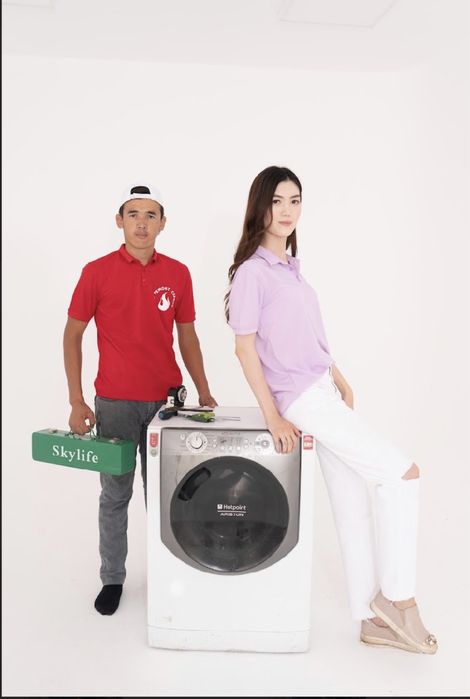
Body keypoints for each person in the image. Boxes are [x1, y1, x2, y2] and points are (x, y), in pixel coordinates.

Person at [225, 166, 437, 654]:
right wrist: (274, 415)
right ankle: (398, 599)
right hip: (301, 399)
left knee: (352, 503)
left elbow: (301, 335)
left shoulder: (290, 269)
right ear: (259, 207)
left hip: (320, 389)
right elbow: (245, 349)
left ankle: (370, 620)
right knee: (403, 475)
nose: (287, 211)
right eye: (277, 201)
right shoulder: (253, 273)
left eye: (295, 200)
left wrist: (336, 373)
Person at [64, 183, 217, 615]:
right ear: (120, 221)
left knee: (168, 497)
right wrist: (77, 400)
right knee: (115, 496)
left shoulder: (179, 273)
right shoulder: (96, 272)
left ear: (163, 223)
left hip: (166, 407)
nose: (142, 224)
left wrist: (204, 389)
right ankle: (112, 578)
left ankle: (169, 576)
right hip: (113, 405)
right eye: (133, 214)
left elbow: (188, 338)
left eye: (151, 215)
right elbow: (72, 335)